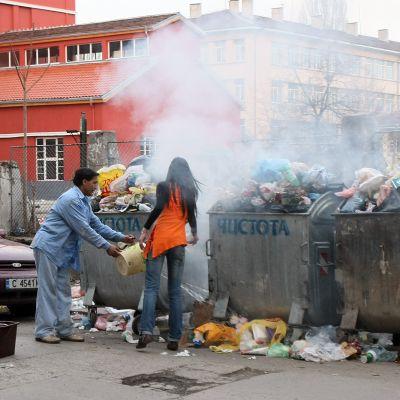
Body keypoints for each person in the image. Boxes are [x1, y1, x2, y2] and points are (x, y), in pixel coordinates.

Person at [31, 168, 135, 344]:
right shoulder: (71, 200)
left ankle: (64, 329)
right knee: (48, 291)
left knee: (63, 291)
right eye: (94, 183)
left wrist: (120, 237)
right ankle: (43, 331)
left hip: (62, 251)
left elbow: (96, 225)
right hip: (48, 247)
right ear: (84, 182)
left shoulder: (84, 201)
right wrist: (107, 247)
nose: (96, 186)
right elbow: (83, 229)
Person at [137, 157, 200, 351]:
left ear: (171, 170)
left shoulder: (164, 186)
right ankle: (174, 338)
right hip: (178, 242)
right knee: (175, 292)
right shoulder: (189, 190)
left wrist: (145, 229)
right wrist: (195, 233)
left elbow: (158, 208)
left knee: (151, 289)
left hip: (161, 240)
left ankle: (146, 332)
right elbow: (190, 214)